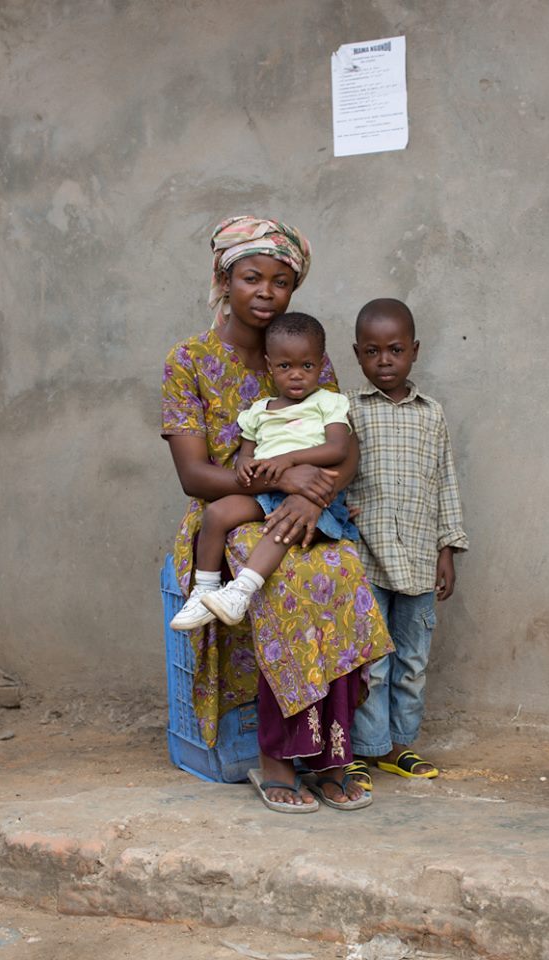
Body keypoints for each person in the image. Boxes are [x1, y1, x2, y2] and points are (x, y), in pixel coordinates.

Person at [161, 216, 393, 813]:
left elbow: (345, 452)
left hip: (308, 508)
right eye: (251, 277)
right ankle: (278, 760)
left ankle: (334, 754)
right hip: (228, 513)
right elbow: (195, 475)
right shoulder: (188, 360)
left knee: (342, 574)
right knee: (287, 582)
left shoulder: (304, 352)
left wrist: (306, 495)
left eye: (282, 280)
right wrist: (285, 479)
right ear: (224, 277)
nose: (266, 292)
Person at [343, 298, 468, 791]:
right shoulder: (348, 410)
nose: (385, 361)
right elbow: (334, 474)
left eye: (395, 350)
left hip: (418, 559)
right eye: (372, 352)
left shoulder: (431, 414)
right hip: (366, 559)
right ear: (357, 355)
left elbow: (444, 483)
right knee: (369, 661)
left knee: (411, 660)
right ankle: (363, 747)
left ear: (414, 351)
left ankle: (399, 745)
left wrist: (448, 549)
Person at [169, 311, 359, 631]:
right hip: (266, 490)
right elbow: (247, 453)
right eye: (286, 366)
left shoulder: (328, 402)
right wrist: (245, 467)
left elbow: (339, 448)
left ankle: (241, 593)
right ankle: (204, 591)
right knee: (216, 514)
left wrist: (290, 460)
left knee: (280, 530)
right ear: (271, 366)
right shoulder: (259, 411)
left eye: (307, 366)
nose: (296, 375)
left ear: (320, 365)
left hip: (309, 493)